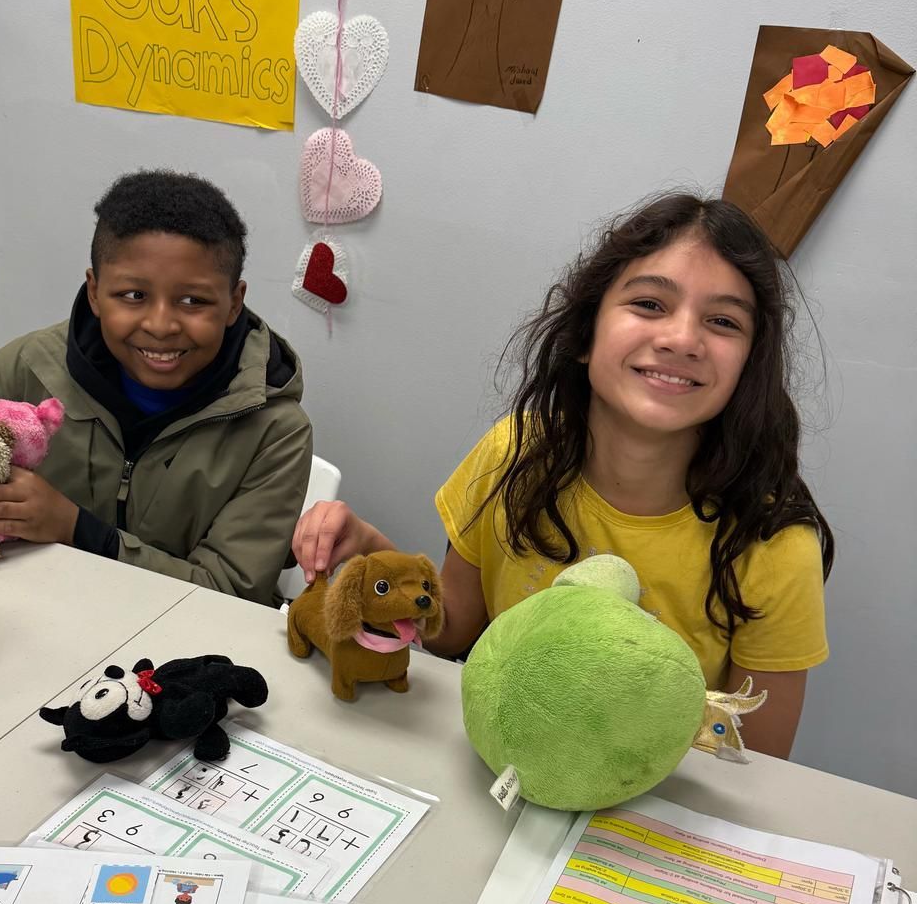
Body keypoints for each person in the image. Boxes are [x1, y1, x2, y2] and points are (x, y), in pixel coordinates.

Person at [293, 194, 833, 758]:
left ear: (750, 364)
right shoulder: (515, 453)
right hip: (503, 759)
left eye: (723, 321)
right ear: (583, 335)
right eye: (649, 303)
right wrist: (370, 554)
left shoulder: (772, 540)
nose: (682, 339)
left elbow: (759, 760)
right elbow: (450, 630)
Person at [0, 170, 313, 603]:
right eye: (133, 296)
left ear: (234, 304)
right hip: (37, 616)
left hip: (178, 653)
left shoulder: (275, 431)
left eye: (194, 301)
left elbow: (228, 594)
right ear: (94, 291)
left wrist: (76, 530)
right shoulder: (34, 367)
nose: (161, 324)